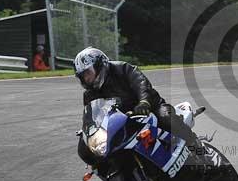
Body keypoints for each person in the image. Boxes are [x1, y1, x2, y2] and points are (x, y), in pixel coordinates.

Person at [74, 47, 203, 168]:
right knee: (92, 152)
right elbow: (92, 115)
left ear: (99, 65)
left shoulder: (122, 69)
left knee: (166, 118)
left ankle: (197, 147)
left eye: (88, 73)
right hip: (123, 121)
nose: (87, 79)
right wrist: (88, 130)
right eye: (83, 76)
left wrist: (144, 102)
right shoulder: (90, 94)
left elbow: (141, 83)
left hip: (149, 108)